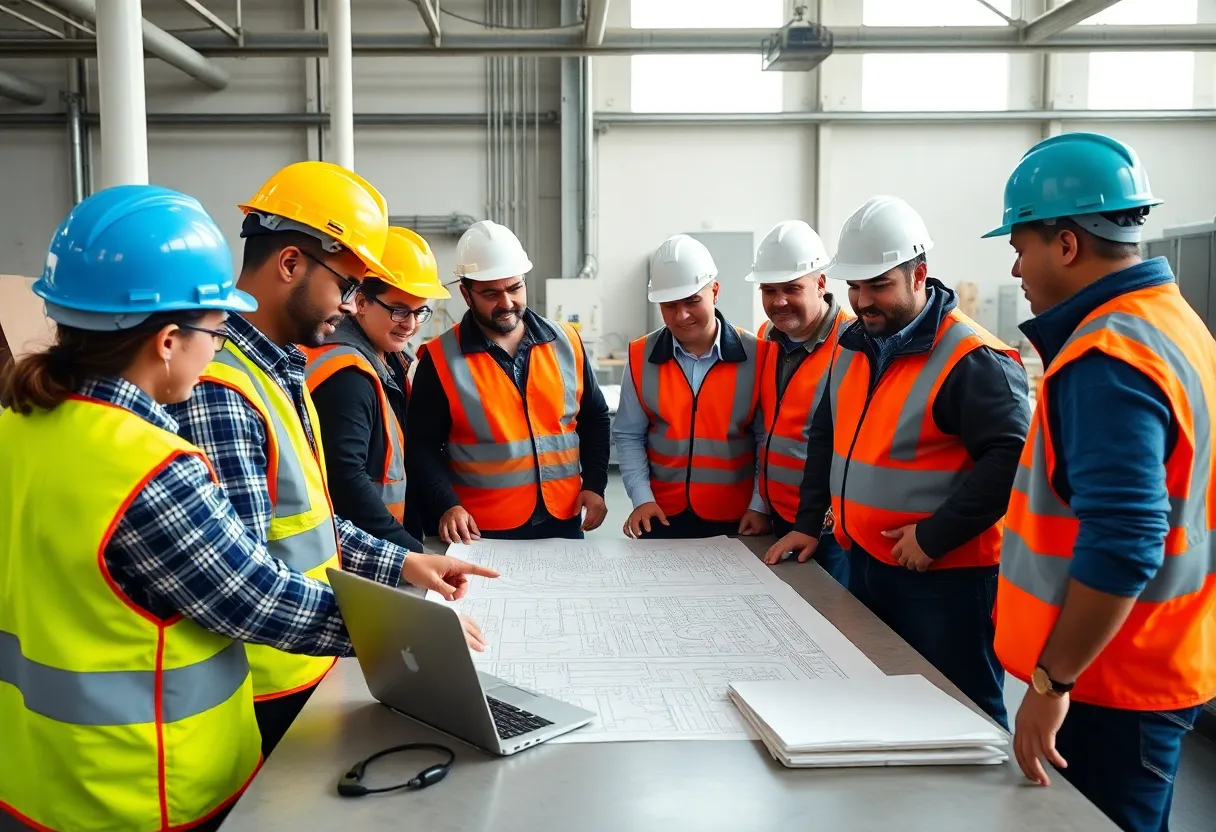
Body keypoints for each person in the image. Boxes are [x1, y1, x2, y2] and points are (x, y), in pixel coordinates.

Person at [0, 186, 495, 832]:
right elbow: (252, 595)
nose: (219, 344)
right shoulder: (145, 468)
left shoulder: (20, 428)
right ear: (169, 341)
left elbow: (302, 524)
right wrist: (414, 634)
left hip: (36, 784)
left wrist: (399, 565)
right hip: (141, 792)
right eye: (213, 329)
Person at [166, 161, 443, 756]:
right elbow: (239, 579)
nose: (348, 305)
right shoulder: (222, 388)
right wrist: (394, 631)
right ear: (291, 263)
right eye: (346, 285)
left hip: (309, 666)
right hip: (266, 682)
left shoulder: (283, 368)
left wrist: (401, 564)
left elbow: (307, 517)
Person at [985, 132, 1216, 832]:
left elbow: (1126, 541)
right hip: (1154, 658)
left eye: (1020, 247)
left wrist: (1053, 682)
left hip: (1111, 682)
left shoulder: (1107, 356)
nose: (1017, 268)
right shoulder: (1175, 326)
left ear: (1066, 244)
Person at [764, 196, 1030, 729]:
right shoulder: (853, 343)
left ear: (919, 275)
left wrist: (934, 537)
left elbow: (1011, 461)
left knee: (964, 710)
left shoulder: (973, 359)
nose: (862, 300)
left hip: (944, 579)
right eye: (854, 287)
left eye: (877, 285)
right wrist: (809, 523)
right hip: (864, 562)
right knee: (882, 700)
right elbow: (826, 435)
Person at [408, 219, 612, 542]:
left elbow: (595, 418)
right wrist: (447, 505)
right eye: (491, 293)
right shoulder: (439, 360)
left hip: (563, 518)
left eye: (515, 288)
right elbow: (421, 447)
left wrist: (594, 485)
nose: (506, 303)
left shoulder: (567, 342)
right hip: (482, 530)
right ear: (466, 293)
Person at [615, 234, 774, 540]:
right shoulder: (640, 356)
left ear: (714, 291)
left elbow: (766, 441)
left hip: (738, 519)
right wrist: (642, 499)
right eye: (670, 305)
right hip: (660, 516)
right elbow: (628, 435)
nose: (682, 315)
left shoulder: (759, 356)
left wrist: (759, 505)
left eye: (692, 301)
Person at [304, 226, 450, 550]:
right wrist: (410, 553)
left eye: (420, 311)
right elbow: (346, 481)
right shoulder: (346, 375)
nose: (410, 324)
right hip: (367, 553)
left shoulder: (392, 358)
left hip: (390, 545)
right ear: (361, 302)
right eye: (399, 310)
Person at [747, 220, 854, 585]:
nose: (778, 301)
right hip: (778, 514)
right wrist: (760, 504)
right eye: (769, 290)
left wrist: (817, 520)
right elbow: (766, 429)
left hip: (830, 530)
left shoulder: (854, 344)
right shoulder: (767, 338)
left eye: (792, 288)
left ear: (821, 283)